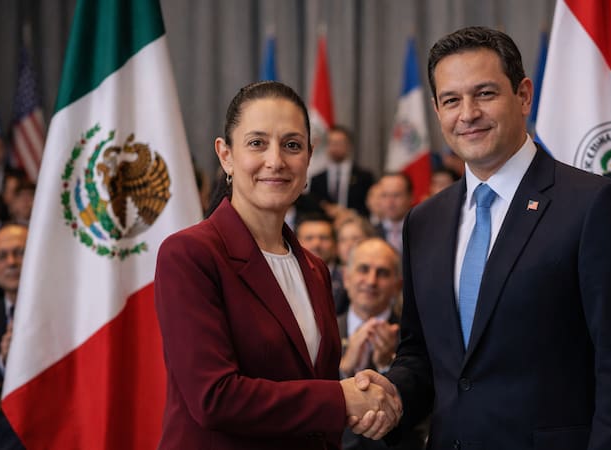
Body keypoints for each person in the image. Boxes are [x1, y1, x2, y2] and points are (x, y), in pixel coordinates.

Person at [351, 26, 611, 448]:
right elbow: (424, 357)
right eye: (451, 100)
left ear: (523, 95)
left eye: (484, 94)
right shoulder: (424, 221)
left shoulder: (595, 206)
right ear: (436, 109)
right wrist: (392, 394)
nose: (467, 114)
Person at [154, 81, 400, 449]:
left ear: (309, 156)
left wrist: (367, 403)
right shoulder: (189, 254)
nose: (276, 160)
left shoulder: (315, 269)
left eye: (291, 145)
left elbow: (311, 387)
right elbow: (214, 398)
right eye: (257, 143)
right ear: (225, 155)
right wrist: (342, 399)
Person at [338, 238, 424, 450]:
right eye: (363, 269)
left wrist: (388, 366)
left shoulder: (416, 336)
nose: (371, 281)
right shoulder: (321, 329)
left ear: (398, 285)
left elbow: (423, 410)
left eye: (383, 273)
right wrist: (344, 368)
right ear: (346, 278)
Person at [0, 223, 27, 450]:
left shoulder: (64, 315)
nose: (11, 263)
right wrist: (4, 362)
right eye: (1, 256)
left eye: (20, 252)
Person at [309, 126, 375, 218]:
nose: (335, 147)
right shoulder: (317, 179)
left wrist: (350, 213)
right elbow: (312, 207)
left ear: (349, 145)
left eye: (339, 143)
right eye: (331, 143)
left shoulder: (364, 177)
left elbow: (371, 206)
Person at [375, 173, 413, 253]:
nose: (390, 202)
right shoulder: (371, 234)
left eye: (396, 195)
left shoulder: (423, 232)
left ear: (410, 197)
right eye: (384, 195)